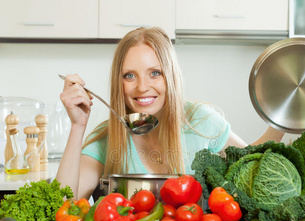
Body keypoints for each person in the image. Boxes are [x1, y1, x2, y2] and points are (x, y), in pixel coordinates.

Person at [56, 27, 284, 200]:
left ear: (171, 76)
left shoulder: (199, 121)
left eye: (155, 73)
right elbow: (65, 200)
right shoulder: (109, 136)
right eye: (129, 76)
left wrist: (283, 118)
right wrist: (78, 126)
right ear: (119, 83)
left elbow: (253, 162)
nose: (142, 87)